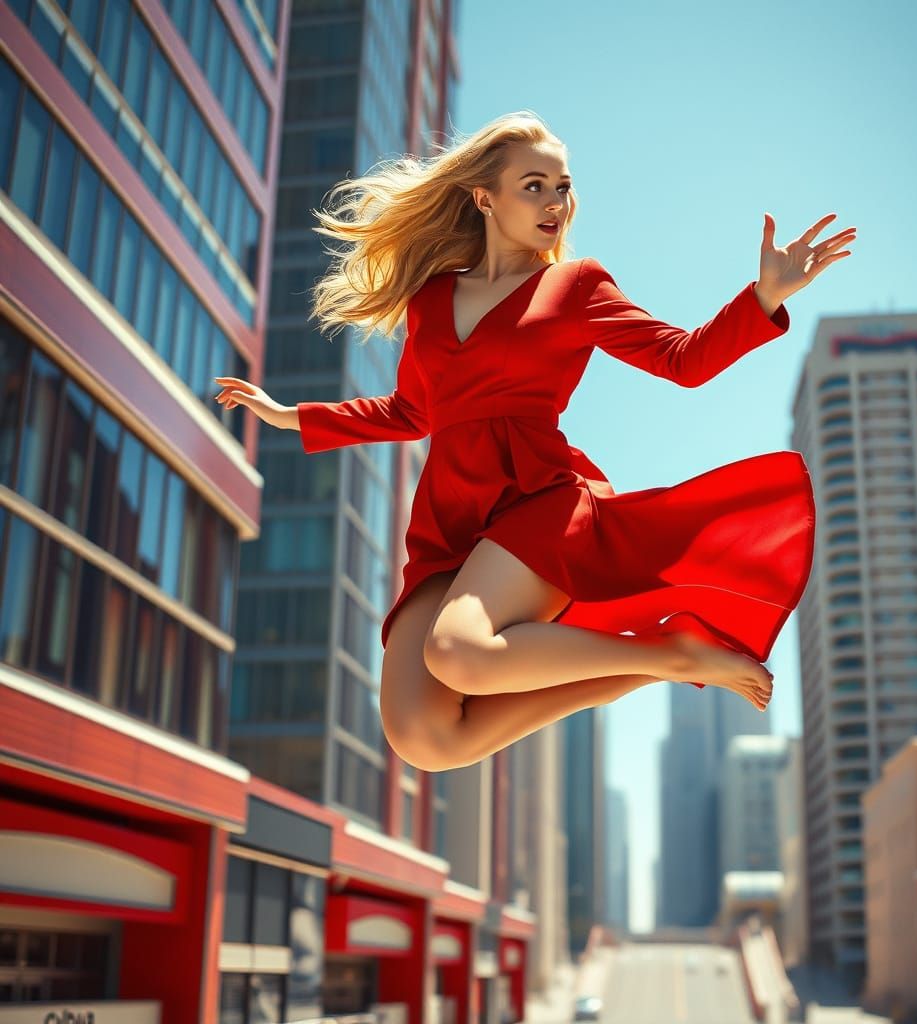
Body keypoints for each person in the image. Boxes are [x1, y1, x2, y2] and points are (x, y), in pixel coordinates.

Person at [214, 111, 856, 774]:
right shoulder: (431, 300)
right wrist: (295, 417)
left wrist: (764, 296)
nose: (555, 202)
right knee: (423, 736)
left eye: (562, 186)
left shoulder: (576, 287)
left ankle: (670, 654)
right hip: (450, 517)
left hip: (537, 502)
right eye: (534, 185)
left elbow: (682, 360)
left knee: (458, 652)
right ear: (484, 196)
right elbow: (413, 411)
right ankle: (662, 658)